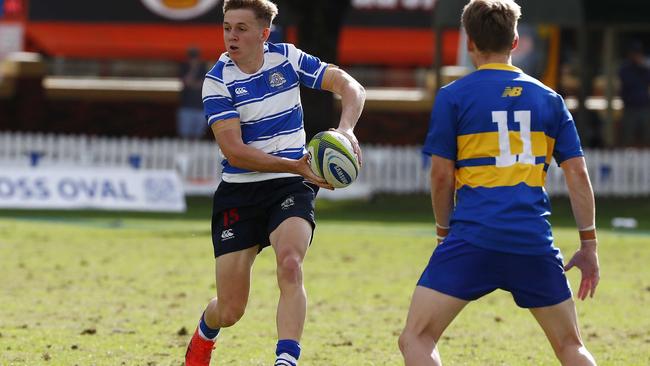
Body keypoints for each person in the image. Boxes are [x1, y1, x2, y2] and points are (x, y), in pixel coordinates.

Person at [398, 1, 600, 365]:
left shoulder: (453, 97)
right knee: (571, 346)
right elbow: (577, 175)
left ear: (470, 42)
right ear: (516, 40)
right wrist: (589, 244)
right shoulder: (550, 100)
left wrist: (444, 234)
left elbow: (442, 176)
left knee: (416, 337)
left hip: (472, 237)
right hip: (531, 239)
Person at [184, 1, 365, 365]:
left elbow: (350, 86)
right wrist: (295, 165)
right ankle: (206, 331)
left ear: (264, 33)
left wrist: (345, 131)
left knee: (290, 263)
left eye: (241, 28)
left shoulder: (288, 59)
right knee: (232, 309)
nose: (231, 36)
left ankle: (286, 359)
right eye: (226, 27)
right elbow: (234, 152)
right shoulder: (217, 80)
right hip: (241, 191)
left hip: (290, 185)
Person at [618, 40, 650, 147]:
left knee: (646, 135)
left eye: (639, 53)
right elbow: (627, 82)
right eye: (634, 53)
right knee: (628, 136)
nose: (637, 55)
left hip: (644, 107)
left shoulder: (645, 68)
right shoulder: (625, 68)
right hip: (630, 107)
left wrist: (643, 66)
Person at [177, 47, 208, 139]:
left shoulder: (203, 67)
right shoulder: (184, 67)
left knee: (198, 136)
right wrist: (193, 69)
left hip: (200, 107)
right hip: (186, 107)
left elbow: (203, 84)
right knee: (184, 135)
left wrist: (193, 83)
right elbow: (186, 81)